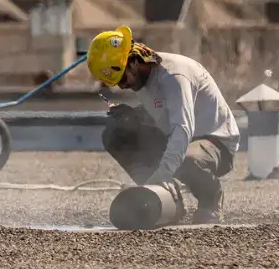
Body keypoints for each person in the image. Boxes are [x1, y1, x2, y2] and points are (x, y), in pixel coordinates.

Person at [87, 25, 240, 224]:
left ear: (133, 63)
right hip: (178, 138)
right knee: (115, 134)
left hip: (214, 142)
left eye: (123, 78)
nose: (123, 86)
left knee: (186, 159)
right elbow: (162, 114)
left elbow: (183, 128)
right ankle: (165, 198)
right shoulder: (143, 77)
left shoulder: (174, 77)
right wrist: (133, 115)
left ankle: (210, 200)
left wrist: (162, 173)